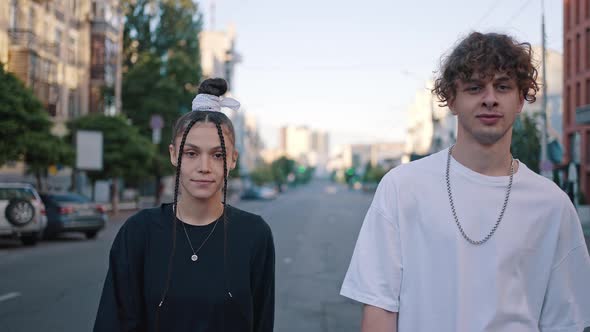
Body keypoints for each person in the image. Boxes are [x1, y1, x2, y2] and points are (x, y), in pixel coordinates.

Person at [340, 32, 590, 332]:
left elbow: (564, 322)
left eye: (503, 86)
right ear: (452, 100)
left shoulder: (552, 204)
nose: (490, 98)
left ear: (521, 99)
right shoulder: (402, 187)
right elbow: (379, 308)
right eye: (474, 87)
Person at [93, 78, 275, 332]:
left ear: (233, 160)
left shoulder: (255, 234)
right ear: (174, 155)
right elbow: (113, 323)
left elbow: (262, 323)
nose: (204, 166)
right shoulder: (139, 232)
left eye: (217, 154)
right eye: (191, 153)